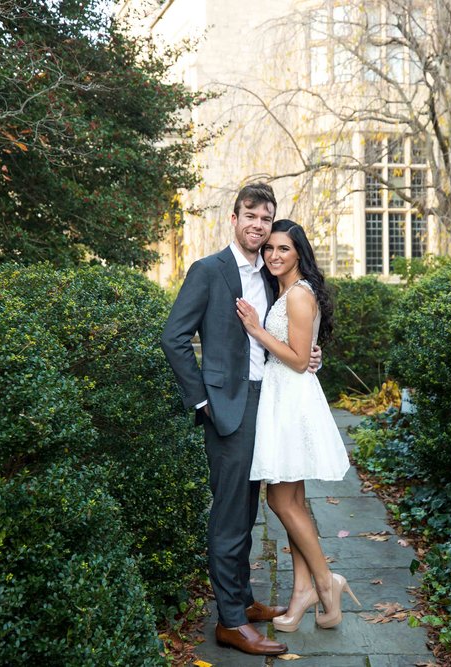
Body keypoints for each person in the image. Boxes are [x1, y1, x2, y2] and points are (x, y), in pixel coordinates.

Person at [160, 183, 320, 656]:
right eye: (250, 215)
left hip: (268, 401)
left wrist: (311, 355)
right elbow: (174, 338)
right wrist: (202, 402)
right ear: (234, 218)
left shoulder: (271, 272)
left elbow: (289, 330)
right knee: (231, 515)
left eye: (266, 218)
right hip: (228, 407)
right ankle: (230, 623)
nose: (258, 225)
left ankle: (243, 600)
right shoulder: (208, 270)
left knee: (248, 510)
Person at [235, 219, 359, 634]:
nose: (273, 255)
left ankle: (326, 582)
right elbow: (305, 353)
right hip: (283, 395)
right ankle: (303, 591)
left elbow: (297, 357)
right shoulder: (287, 291)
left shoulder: (299, 295)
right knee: (294, 503)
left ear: (299, 254)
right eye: (269, 248)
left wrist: (256, 329)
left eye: (283, 249)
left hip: (291, 400)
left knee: (281, 502)